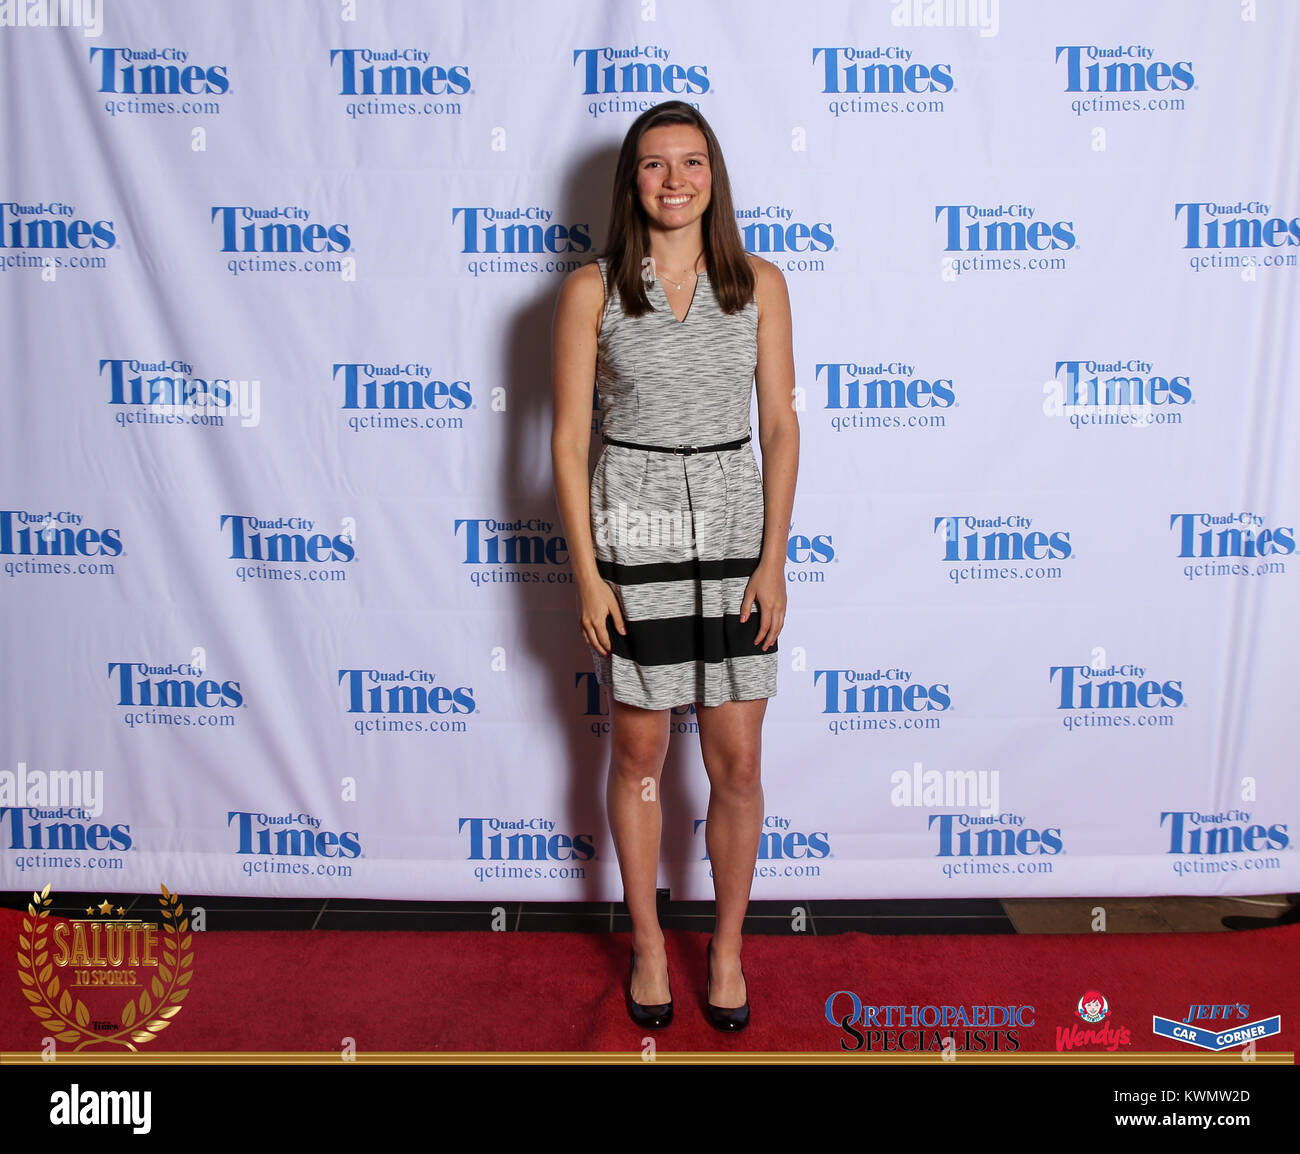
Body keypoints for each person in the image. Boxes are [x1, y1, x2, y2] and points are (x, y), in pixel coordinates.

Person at [551, 100, 799, 1031]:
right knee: (645, 750)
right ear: (631, 180)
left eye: (692, 163)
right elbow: (570, 439)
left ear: (714, 177)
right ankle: (650, 942)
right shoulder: (594, 290)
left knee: (736, 758)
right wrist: (587, 574)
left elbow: (778, 424)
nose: (674, 180)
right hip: (638, 529)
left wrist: (773, 560)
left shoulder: (760, 284)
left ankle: (728, 947)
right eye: (655, 165)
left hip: (736, 532)